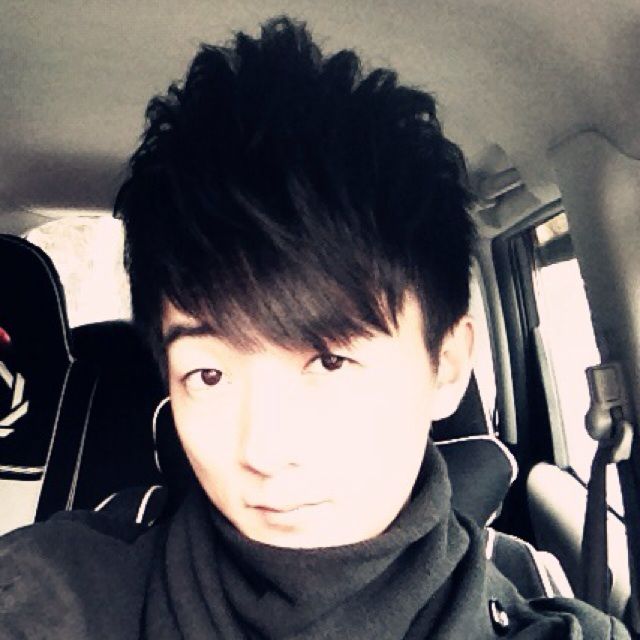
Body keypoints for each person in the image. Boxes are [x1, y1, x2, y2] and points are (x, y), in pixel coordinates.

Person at [0, 15, 631, 639]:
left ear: (446, 364)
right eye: (209, 375)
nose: (263, 451)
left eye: (329, 361)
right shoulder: (46, 595)